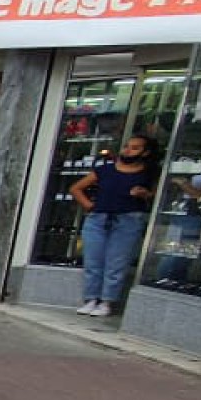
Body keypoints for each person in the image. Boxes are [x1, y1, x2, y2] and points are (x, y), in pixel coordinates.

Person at [69, 135, 159, 317]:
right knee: (93, 260)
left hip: (128, 218)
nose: (128, 150)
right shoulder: (105, 170)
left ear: (145, 152)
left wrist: (145, 194)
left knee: (116, 262)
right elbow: (76, 188)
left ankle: (107, 301)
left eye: (135, 148)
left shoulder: (148, 173)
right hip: (99, 218)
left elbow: (157, 195)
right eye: (127, 146)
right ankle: (91, 298)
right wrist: (89, 205)